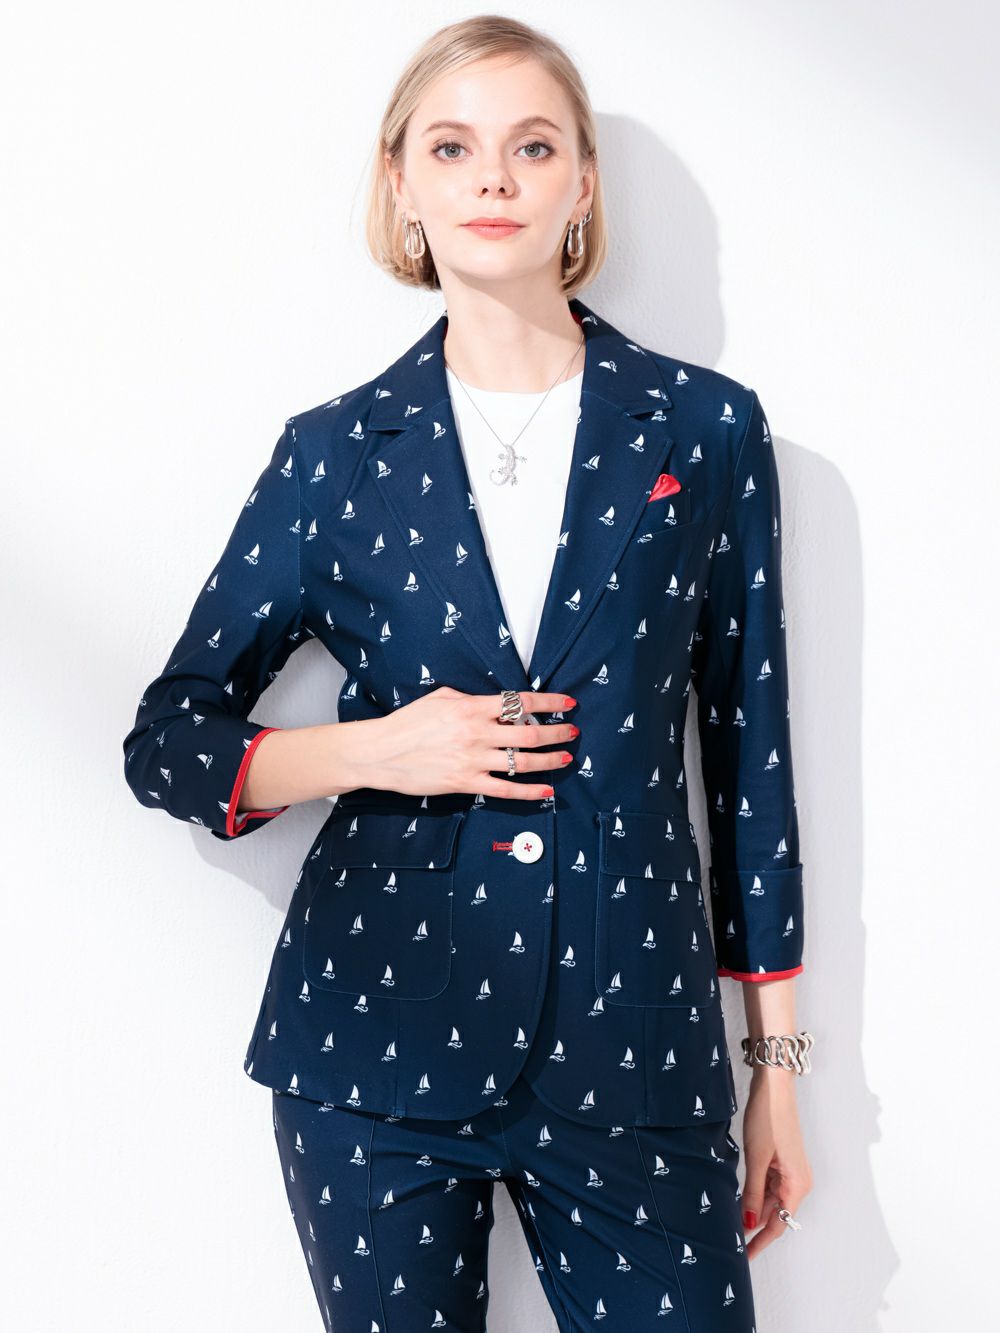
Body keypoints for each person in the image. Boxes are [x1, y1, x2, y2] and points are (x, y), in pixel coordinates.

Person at [122, 14, 814, 1331]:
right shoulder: (333, 455)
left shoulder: (704, 429)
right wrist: (381, 748)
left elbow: (752, 762)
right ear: (403, 184)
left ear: (582, 183)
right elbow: (171, 740)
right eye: (452, 148)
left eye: (532, 147)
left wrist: (775, 1065)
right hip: (371, 1051)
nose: (493, 178)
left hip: (635, 1046)